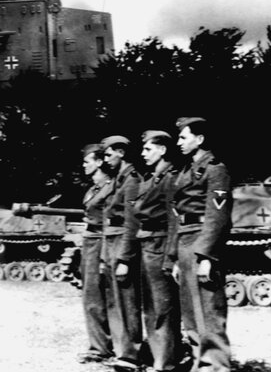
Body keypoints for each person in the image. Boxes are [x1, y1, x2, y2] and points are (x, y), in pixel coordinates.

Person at [169, 117, 232, 372]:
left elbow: (217, 216)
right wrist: (176, 257)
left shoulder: (216, 169)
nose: (178, 142)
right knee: (190, 310)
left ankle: (216, 365)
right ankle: (200, 362)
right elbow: (178, 215)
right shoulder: (187, 170)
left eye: (183, 137)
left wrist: (207, 256)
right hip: (185, 240)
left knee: (208, 308)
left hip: (201, 241)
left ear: (200, 139)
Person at [134, 130, 184, 372]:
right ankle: (158, 358)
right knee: (151, 307)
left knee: (163, 307)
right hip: (147, 242)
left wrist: (171, 256)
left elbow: (175, 220)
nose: (143, 153)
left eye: (148, 149)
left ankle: (166, 362)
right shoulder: (151, 178)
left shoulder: (170, 178)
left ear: (162, 150)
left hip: (161, 243)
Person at [100, 135, 143, 372]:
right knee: (114, 300)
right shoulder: (118, 179)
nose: (105, 159)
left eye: (109, 154)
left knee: (127, 301)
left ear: (121, 153)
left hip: (121, 241)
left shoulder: (132, 179)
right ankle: (120, 350)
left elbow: (132, 221)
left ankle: (131, 355)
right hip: (111, 240)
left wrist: (125, 257)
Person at [76, 143, 115, 364]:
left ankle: (103, 347)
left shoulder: (110, 188)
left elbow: (110, 223)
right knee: (91, 296)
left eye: (87, 161)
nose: (83, 165)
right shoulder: (92, 189)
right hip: (90, 242)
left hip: (101, 243)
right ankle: (98, 345)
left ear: (99, 162)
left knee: (100, 297)